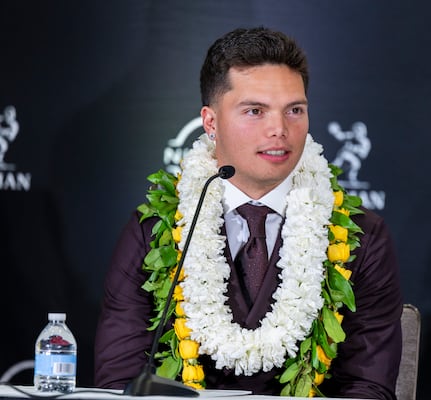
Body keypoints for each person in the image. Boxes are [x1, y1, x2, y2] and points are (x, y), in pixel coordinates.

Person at [94, 26, 403, 400]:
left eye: (295, 110)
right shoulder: (156, 230)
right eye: (255, 111)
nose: (279, 129)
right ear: (210, 122)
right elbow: (119, 379)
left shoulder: (359, 236)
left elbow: (367, 387)